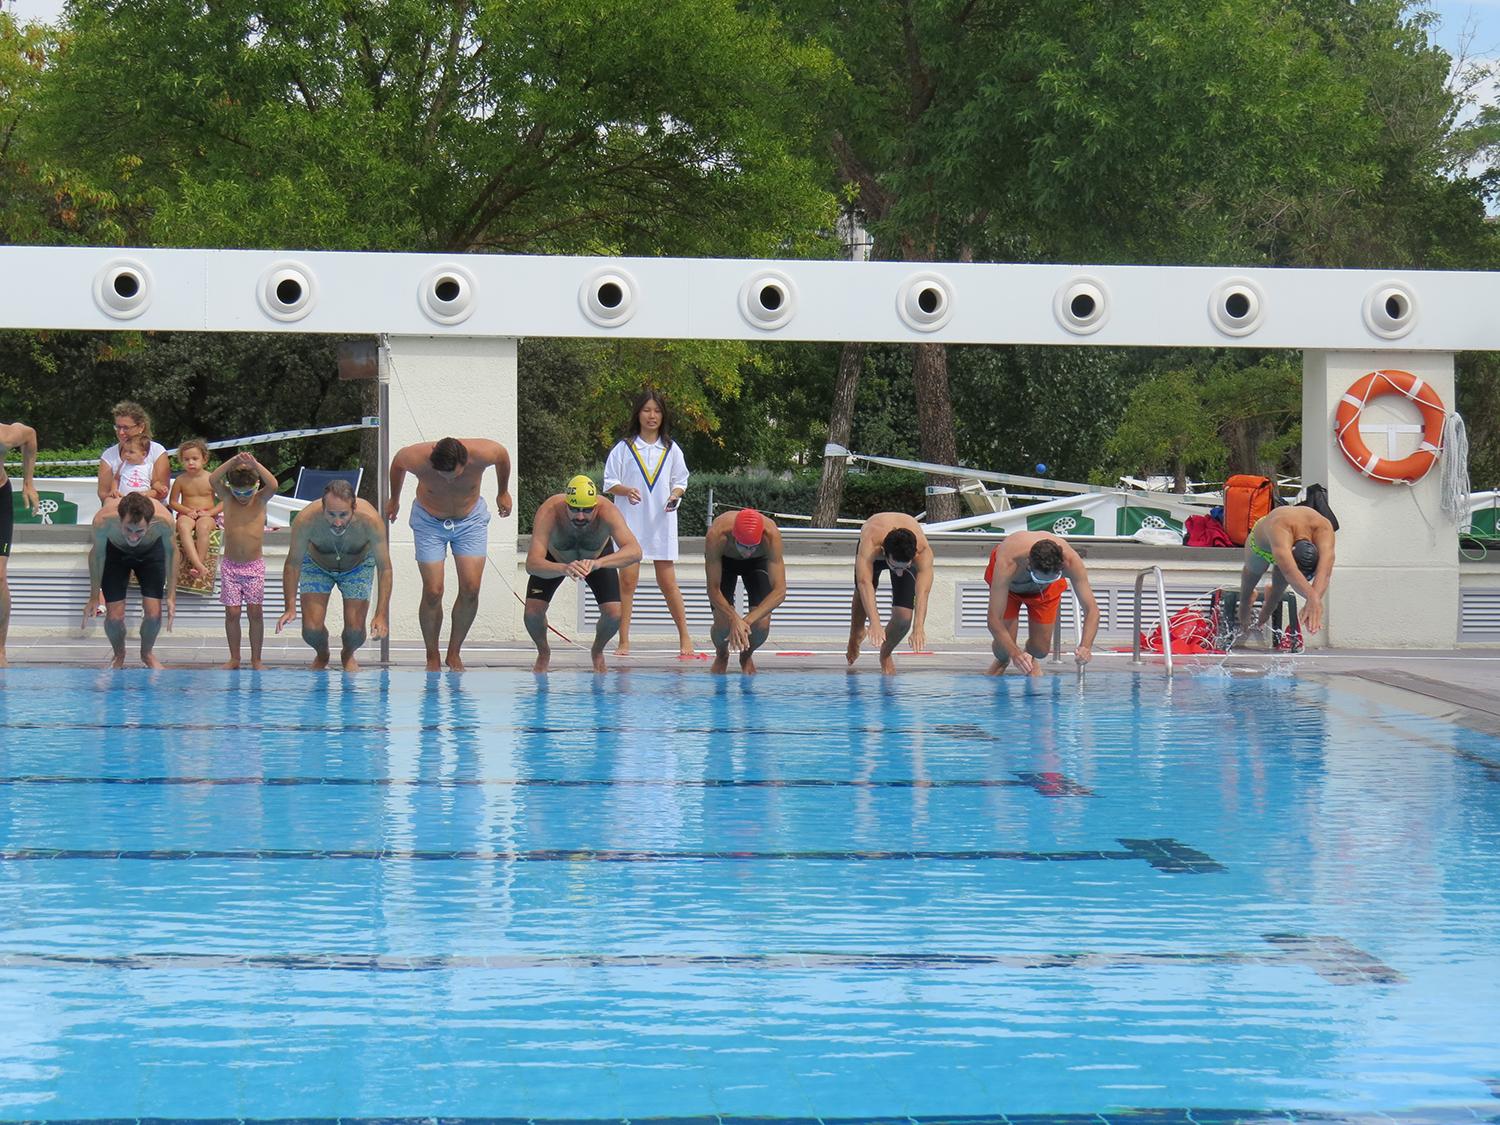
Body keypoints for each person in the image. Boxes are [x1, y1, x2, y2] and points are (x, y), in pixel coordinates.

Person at [385, 436, 513, 672]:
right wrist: (394, 499)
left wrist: (502, 491)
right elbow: (397, 465)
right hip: (428, 521)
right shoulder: (416, 457)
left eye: (454, 474)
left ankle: (454, 652)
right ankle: (431, 655)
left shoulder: (483, 453)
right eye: (442, 475)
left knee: (471, 588)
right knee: (434, 590)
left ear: (465, 461)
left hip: (470, 520)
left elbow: (503, 457)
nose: (449, 480)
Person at [603, 389, 694, 658]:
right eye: (646, 410)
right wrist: (624, 490)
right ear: (638, 414)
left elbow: (681, 481)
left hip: (661, 522)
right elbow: (609, 482)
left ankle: (685, 637)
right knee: (627, 582)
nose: (652, 416)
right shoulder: (624, 448)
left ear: (663, 415)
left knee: (668, 582)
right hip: (630, 523)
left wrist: (675, 495)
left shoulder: (671, 448)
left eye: (656, 411)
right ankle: (624, 640)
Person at [523, 475, 642, 674]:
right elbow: (532, 563)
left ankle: (597, 651)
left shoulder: (608, 512)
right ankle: (543, 652)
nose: (580, 517)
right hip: (556, 558)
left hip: (596, 559)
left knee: (614, 615)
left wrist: (598, 563)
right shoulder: (550, 511)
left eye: (587, 511)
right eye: (574, 510)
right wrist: (563, 568)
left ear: (596, 506)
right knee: (532, 613)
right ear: (566, 505)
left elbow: (635, 551)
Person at [276, 479, 392, 671]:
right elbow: (293, 563)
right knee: (311, 631)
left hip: (358, 565)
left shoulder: (370, 521)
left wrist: (381, 614)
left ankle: (347, 654)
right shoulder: (306, 520)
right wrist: (290, 606)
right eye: (331, 514)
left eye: (343, 514)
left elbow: (385, 568)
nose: (337, 522)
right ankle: (323, 654)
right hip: (317, 565)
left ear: (353, 507)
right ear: (323, 507)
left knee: (355, 631)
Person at [984, 530, 1100, 676]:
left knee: (1041, 650)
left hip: (1046, 594)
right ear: (1028, 565)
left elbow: (1092, 610)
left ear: (1061, 567)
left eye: (1051, 578)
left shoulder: (1071, 562)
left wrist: (1086, 646)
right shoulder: (1008, 562)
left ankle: (1029, 655)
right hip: (1009, 591)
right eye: (1039, 579)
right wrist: (1015, 654)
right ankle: (1002, 661)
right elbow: (994, 620)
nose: (1043, 583)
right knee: (1003, 649)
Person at [84, 491, 177, 669]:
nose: (133, 537)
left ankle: (147, 654)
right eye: (128, 529)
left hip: (150, 553)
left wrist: (171, 595)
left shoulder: (164, 521)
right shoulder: (103, 521)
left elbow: (172, 553)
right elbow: (97, 555)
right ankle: (119, 654)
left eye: (140, 531)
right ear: (120, 520)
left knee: (154, 615)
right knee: (114, 619)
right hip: (116, 554)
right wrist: (94, 596)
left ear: (151, 523)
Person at [210, 451, 279, 669]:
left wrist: (255, 464)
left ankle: (256, 659)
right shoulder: (228, 499)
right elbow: (213, 479)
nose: (242, 496)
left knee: (255, 612)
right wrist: (232, 462)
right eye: (238, 492)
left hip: (254, 567)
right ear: (231, 488)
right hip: (230, 567)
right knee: (232, 612)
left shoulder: (260, 500)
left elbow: (274, 484)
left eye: (247, 491)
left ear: (256, 485)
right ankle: (235, 658)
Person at [847, 512, 934, 675]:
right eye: (895, 568)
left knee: (904, 618)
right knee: (863, 588)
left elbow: (923, 592)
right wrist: (875, 622)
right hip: (874, 541)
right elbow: (864, 584)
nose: (899, 573)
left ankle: (885, 654)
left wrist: (919, 627)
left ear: (914, 556)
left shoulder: (922, 552)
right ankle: (856, 633)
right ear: (884, 552)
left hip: (901, 550)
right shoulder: (871, 544)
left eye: (905, 567)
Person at [704, 508, 786, 675]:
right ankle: (721, 654)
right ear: (734, 536)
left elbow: (780, 591)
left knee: (761, 625)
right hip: (725, 561)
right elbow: (713, 589)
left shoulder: (771, 535)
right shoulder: (717, 535)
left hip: (758, 563)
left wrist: (745, 621)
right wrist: (733, 618)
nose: (747, 552)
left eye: (752, 547)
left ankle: (746, 655)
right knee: (723, 624)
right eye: (743, 546)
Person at [1236, 505, 1336, 640]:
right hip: (1261, 546)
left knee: (1276, 593)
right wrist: (1312, 598)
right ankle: (1245, 602)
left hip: (1285, 550)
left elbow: (1325, 573)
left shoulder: (1324, 528)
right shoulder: (1280, 527)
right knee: (1253, 574)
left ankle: (1271, 601)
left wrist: (1314, 601)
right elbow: (1289, 571)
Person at [0, 420, 39, 667]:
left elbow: (30, 436)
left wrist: (28, 482)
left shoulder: (6, 435)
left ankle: (0, 649)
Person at [167, 438, 221, 580]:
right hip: (187, 513)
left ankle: (199, 563)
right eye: (186, 459)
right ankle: (198, 564)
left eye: (195, 458)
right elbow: (172, 502)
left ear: (204, 459)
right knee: (183, 526)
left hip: (207, 515)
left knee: (202, 527)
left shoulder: (212, 479)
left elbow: (225, 501)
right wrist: (186, 511)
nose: (190, 462)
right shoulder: (180, 480)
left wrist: (210, 512)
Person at [97, 401, 169, 504]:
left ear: (141, 427)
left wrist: (140, 497)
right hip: (119, 505)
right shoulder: (108, 455)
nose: (121, 432)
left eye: (126, 427)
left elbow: (162, 491)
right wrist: (117, 497)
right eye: (118, 427)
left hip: (150, 504)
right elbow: (104, 493)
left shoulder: (157, 451)